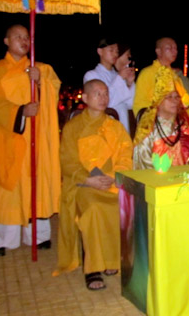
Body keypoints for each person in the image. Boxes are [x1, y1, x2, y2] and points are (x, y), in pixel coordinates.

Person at [0, 24, 61, 256]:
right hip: (9, 136)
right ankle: (2, 240)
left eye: (27, 37)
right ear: (6, 41)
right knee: (7, 189)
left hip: (37, 138)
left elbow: (54, 91)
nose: (24, 40)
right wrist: (21, 112)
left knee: (37, 184)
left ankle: (39, 235)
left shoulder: (42, 68)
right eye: (17, 37)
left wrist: (41, 82)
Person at [55, 79, 133, 291]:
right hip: (83, 185)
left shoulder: (115, 126)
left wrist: (114, 176)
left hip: (111, 183)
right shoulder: (73, 128)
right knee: (94, 209)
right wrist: (87, 179)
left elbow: (126, 153)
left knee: (124, 207)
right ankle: (93, 267)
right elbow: (67, 161)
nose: (103, 98)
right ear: (85, 98)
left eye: (105, 93)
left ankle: (112, 259)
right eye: (97, 93)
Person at [133, 65, 189, 169]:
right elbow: (143, 164)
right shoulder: (148, 128)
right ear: (159, 101)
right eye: (169, 97)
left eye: (177, 97)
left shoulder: (185, 124)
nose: (174, 101)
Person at [132, 37, 189, 122]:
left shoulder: (175, 76)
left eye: (175, 48)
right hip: (157, 125)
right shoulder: (147, 73)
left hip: (178, 125)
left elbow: (185, 104)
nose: (174, 51)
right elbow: (140, 105)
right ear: (158, 51)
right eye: (169, 48)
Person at [83, 37, 135, 134]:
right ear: (100, 51)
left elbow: (130, 104)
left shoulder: (117, 75)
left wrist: (129, 83)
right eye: (111, 50)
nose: (115, 54)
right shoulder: (92, 75)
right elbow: (105, 102)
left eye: (117, 51)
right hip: (104, 128)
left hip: (122, 124)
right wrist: (120, 78)